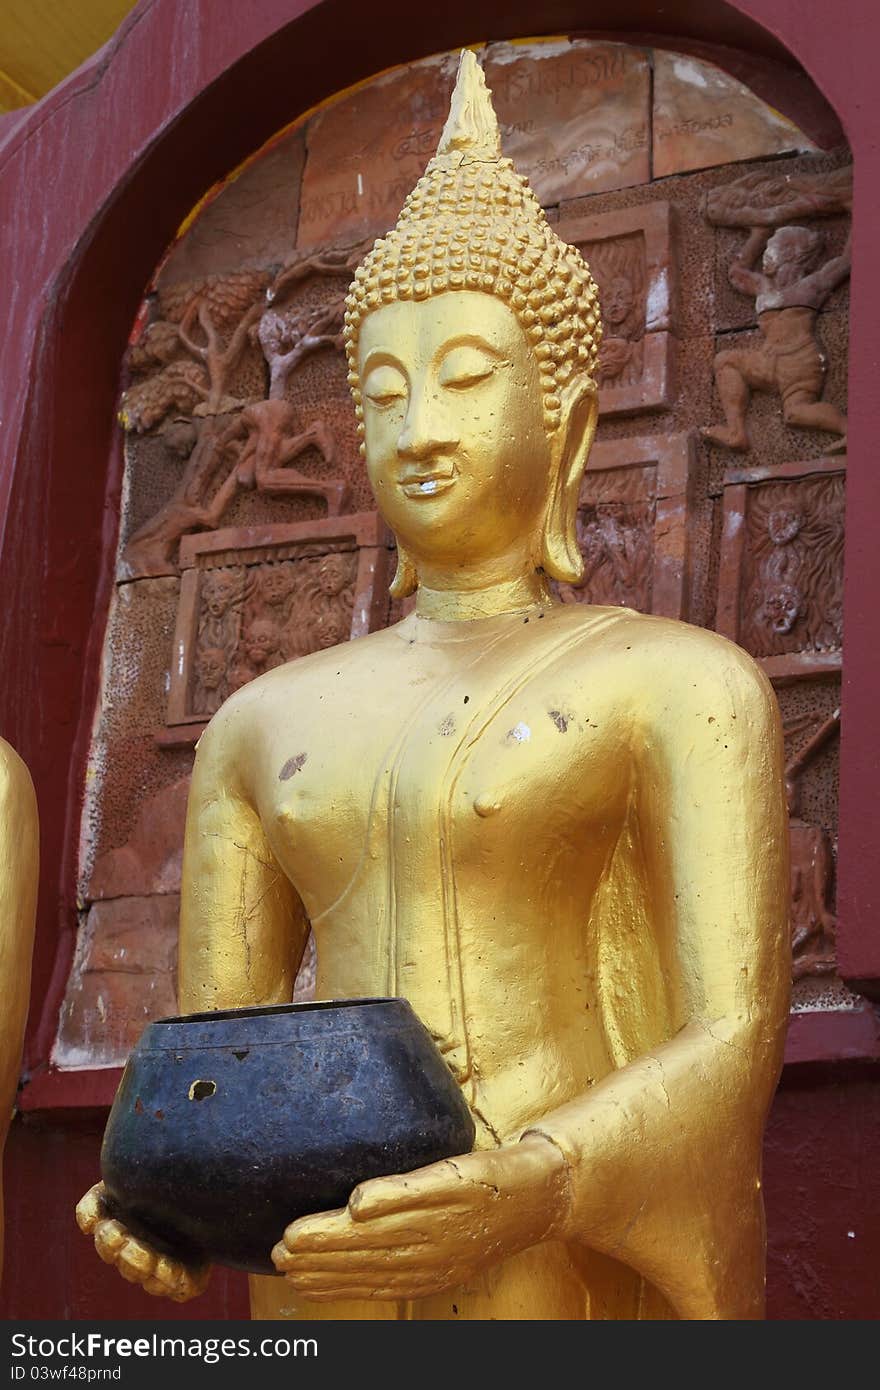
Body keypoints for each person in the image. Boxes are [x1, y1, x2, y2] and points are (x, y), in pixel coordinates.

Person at [77, 52, 789, 1320]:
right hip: (325, 1259)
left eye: (465, 378)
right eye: (385, 392)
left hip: (556, 1232)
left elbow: (730, 1037)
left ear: (564, 422)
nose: (420, 429)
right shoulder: (262, 722)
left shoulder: (678, 683)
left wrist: (538, 1180)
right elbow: (218, 1063)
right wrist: (162, 1193)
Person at [702, 224, 849, 451]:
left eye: (771, 247)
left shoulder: (812, 285)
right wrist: (757, 234)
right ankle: (736, 432)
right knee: (726, 360)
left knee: (796, 413)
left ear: (790, 254)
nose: (765, 254)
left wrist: (858, 213)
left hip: (801, 360)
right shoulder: (764, 287)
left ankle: (849, 429)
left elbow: (847, 260)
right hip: (768, 361)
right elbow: (736, 274)